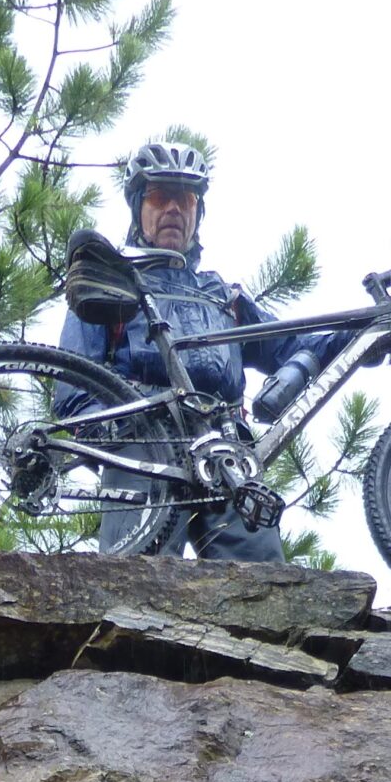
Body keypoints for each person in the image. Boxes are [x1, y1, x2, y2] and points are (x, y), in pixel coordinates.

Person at [58, 141, 332, 563]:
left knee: (262, 580)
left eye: (184, 199)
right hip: (143, 442)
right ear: (138, 208)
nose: (173, 209)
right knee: (138, 576)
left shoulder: (225, 298)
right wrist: (113, 434)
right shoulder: (112, 284)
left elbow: (295, 345)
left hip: (225, 447)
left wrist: (358, 336)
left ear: (198, 211)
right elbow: (75, 385)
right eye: (159, 197)